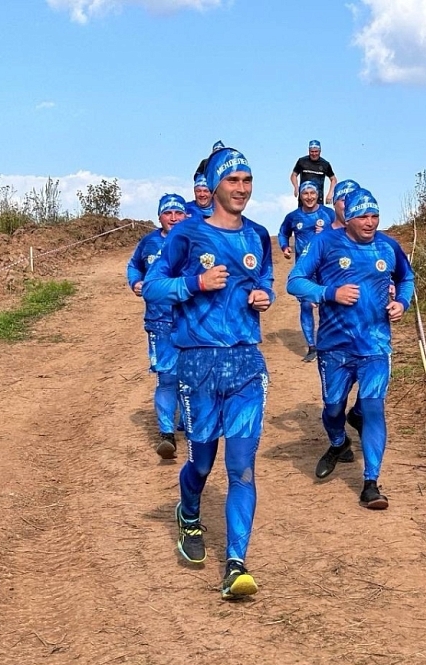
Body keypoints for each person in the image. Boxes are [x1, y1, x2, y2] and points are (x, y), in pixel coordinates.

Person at [142, 147, 273, 600]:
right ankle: (190, 513)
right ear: (215, 184)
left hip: (245, 364)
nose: (241, 188)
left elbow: (266, 283)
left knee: (242, 469)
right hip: (197, 363)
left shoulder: (258, 236)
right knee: (202, 461)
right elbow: (153, 286)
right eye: (233, 180)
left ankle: (236, 563)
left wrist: (263, 298)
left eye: (247, 180)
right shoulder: (186, 235)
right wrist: (193, 284)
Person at [287, 188, 415, 509]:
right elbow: (295, 281)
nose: (370, 222)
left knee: (373, 407)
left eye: (375, 216)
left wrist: (401, 302)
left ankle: (370, 483)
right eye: (363, 216)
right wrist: (331, 292)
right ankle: (339, 442)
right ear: (348, 218)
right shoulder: (325, 243)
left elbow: (406, 279)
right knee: (333, 409)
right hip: (334, 347)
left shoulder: (388, 246)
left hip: (374, 345)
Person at [126, 193, 187, 460]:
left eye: (178, 213)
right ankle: (166, 434)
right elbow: (133, 266)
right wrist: (135, 282)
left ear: (185, 215)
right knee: (167, 377)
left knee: (193, 377)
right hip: (159, 321)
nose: (173, 218)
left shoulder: (195, 240)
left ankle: (191, 426)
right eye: (168, 213)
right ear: (159, 216)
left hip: (191, 319)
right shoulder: (148, 243)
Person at [278, 181, 337, 362]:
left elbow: (343, 231)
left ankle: (330, 343)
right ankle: (312, 347)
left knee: (330, 303)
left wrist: (327, 231)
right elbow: (282, 232)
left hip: (327, 267)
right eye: (305, 193)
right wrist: (284, 246)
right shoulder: (293, 217)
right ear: (300, 196)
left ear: (317, 194)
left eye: (312, 193)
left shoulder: (328, 214)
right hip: (305, 269)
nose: (309, 197)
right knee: (306, 305)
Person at [290, 140, 337, 205]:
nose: (314, 154)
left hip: (318, 198)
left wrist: (330, 193)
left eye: (316, 152)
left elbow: (333, 179)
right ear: (309, 151)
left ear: (320, 151)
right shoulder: (302, 161)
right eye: (312, 152)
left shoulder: (325, 164)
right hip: (304, 198)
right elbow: (293, 175)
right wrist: (296, 187)